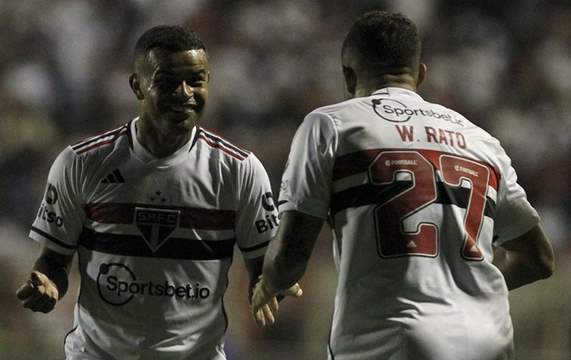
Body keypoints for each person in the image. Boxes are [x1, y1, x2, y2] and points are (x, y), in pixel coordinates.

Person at [252, 11, 555, 360]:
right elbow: (539, 258)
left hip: (392, 341)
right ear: (420, 75)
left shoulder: (332, 125)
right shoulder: (482, 141)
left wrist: (269, 283)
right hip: (488, 340)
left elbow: (290, 257)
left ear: (348, 77)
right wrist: (463, 292)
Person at [16, 25, 300, 360]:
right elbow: (54, 260)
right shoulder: (81, 164)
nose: (184, 92)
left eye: (196, 80)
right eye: (166, 81)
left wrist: (268, 285)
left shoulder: (239, 171)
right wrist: (48, 282)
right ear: (137, 86)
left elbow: (261, 268)